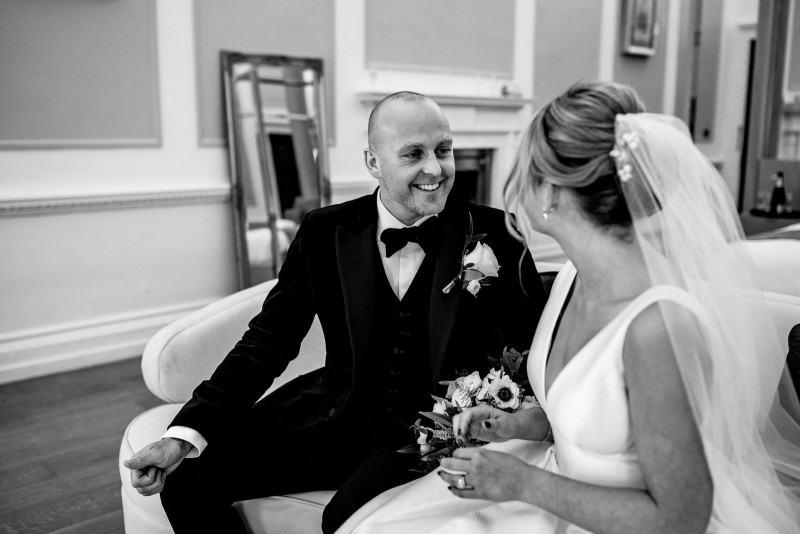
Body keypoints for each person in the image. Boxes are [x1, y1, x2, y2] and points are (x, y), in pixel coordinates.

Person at [336, 81, 800, 533]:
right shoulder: (574, 276)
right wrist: (517, 423)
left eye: (530, 170)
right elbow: (591, 422)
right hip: (550, 481)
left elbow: (680, 520)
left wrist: (522, 482)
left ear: (555, 194)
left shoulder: (657, 327)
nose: (518, 184)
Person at [123, 91, 546, 533]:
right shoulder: (325, 231)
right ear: (373, 162)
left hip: (428, 434)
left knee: (345, 520)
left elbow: (533, 351)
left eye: (444, 150)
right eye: (413, 154)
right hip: (336, 410)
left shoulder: (498, 235)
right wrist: (185, 432)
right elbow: (267, 342)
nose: (436, 169)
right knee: (186, 478)